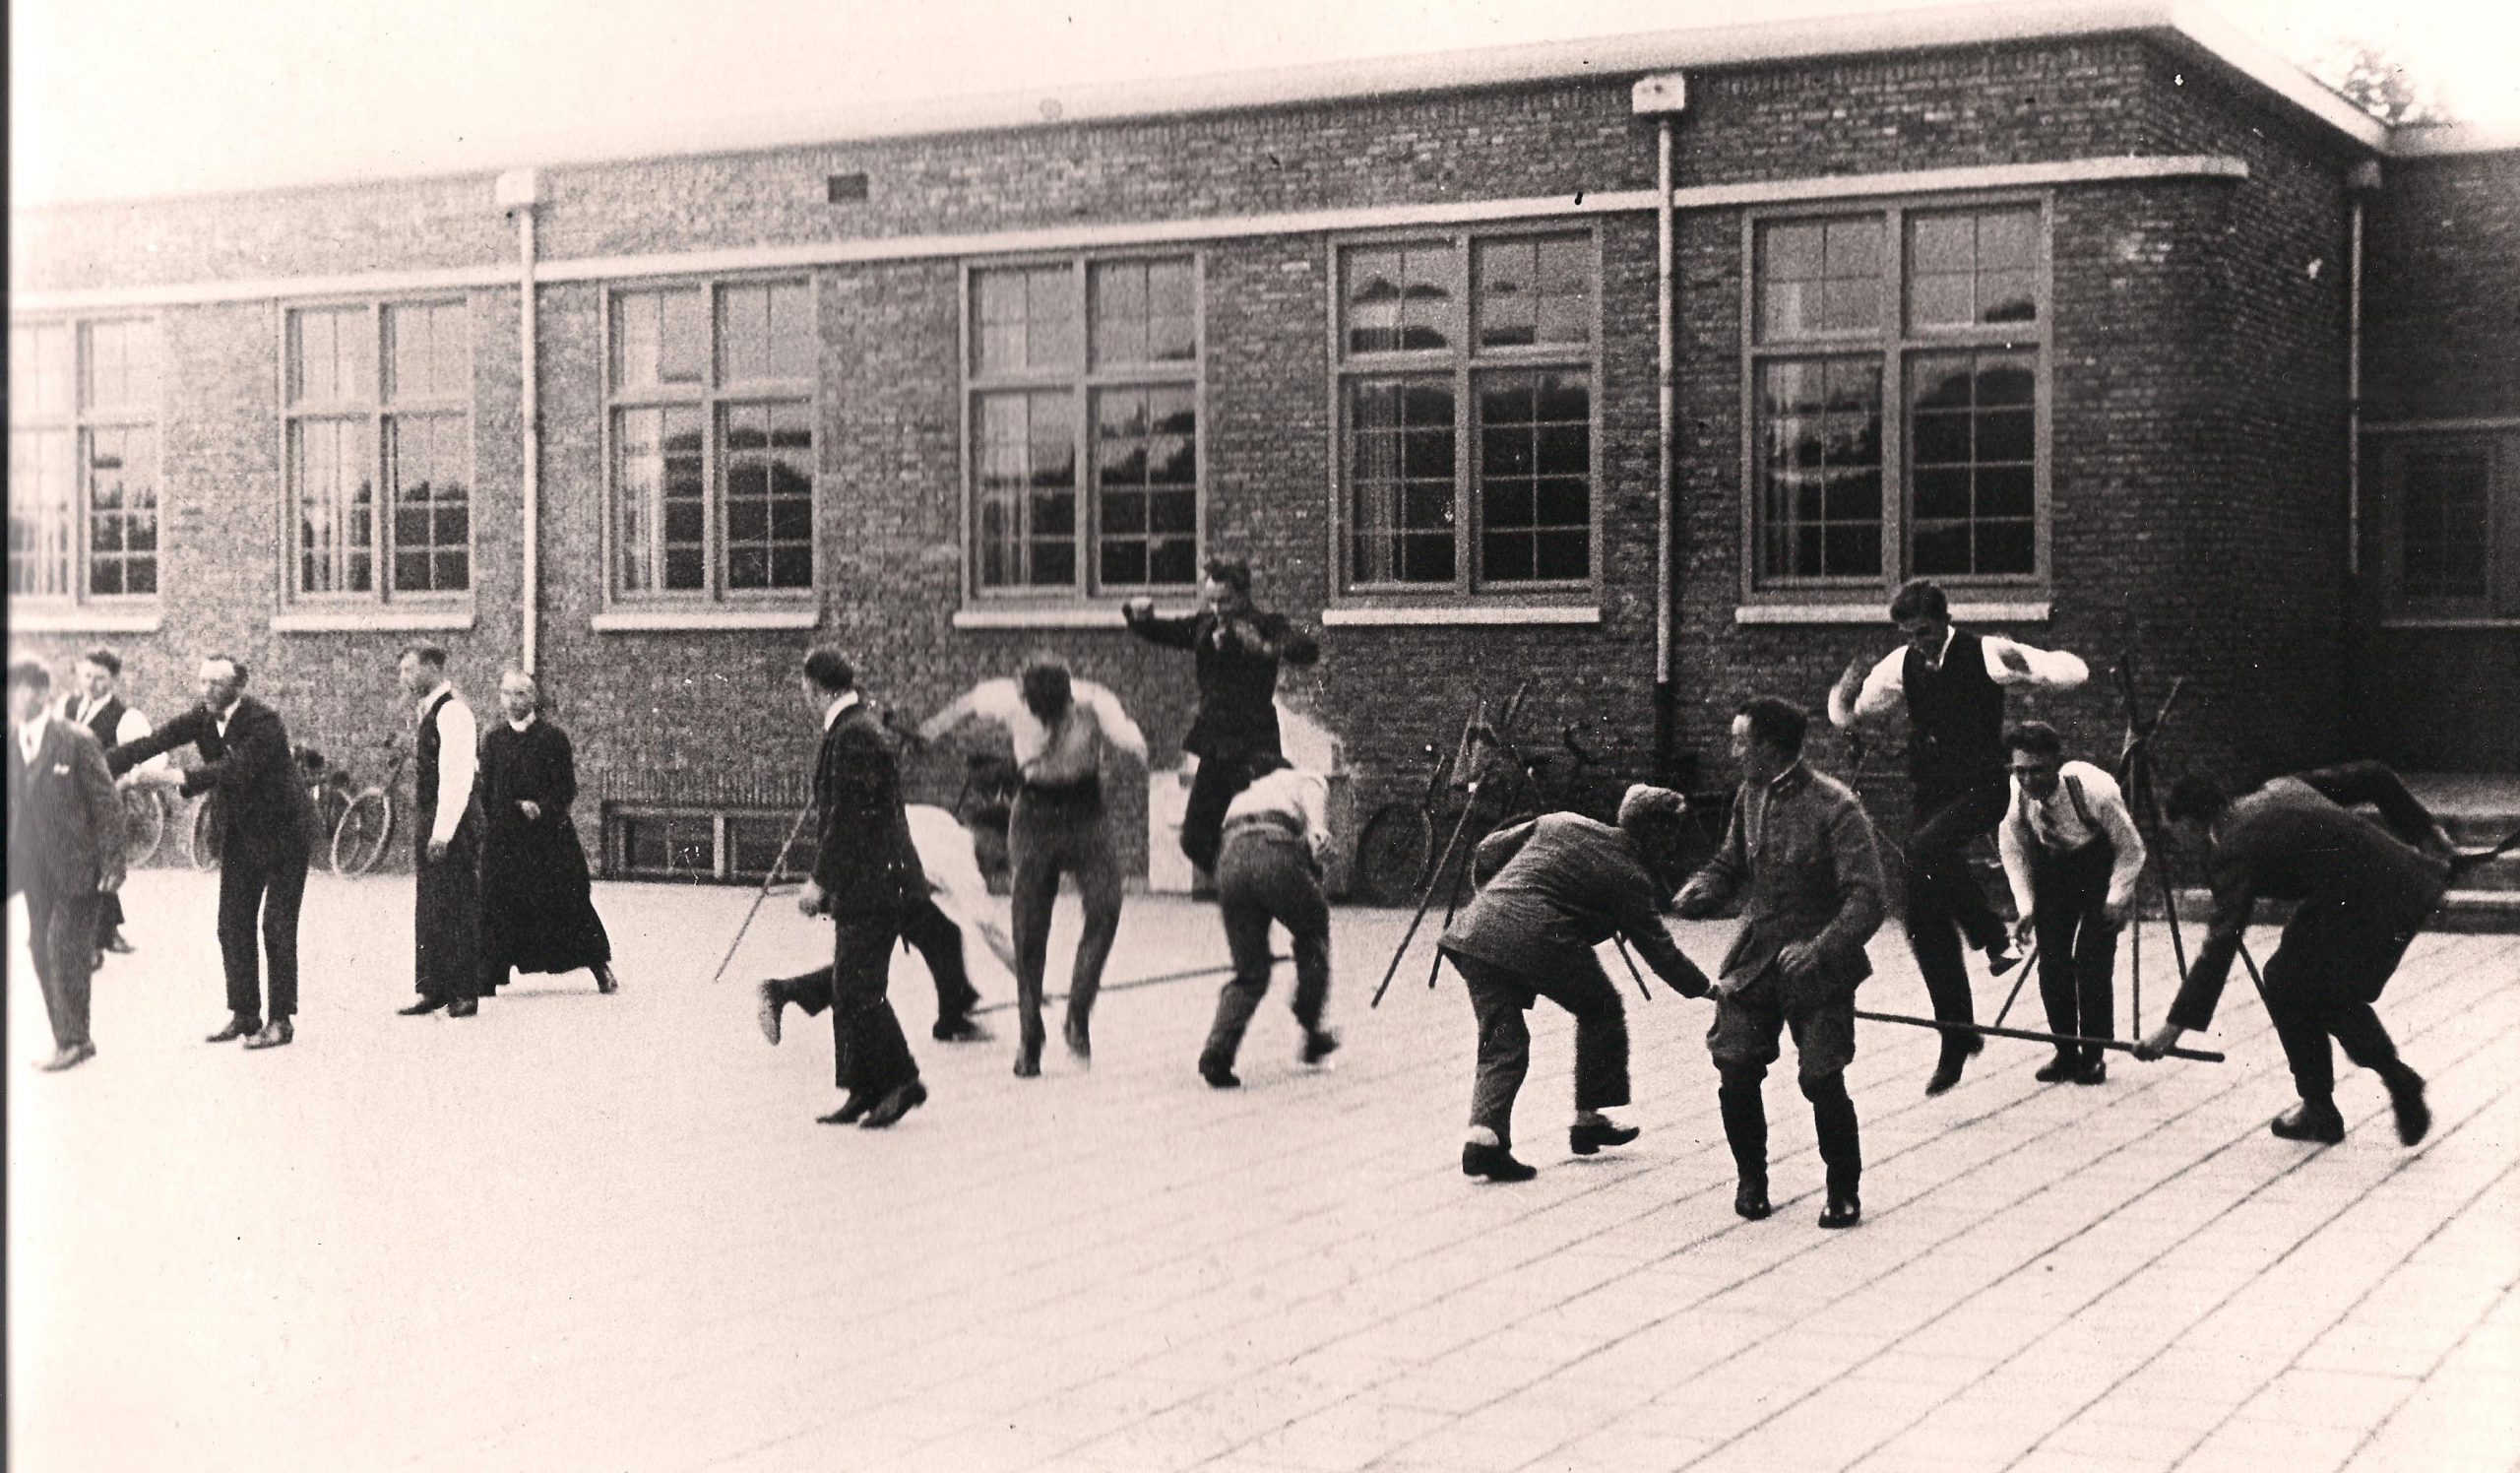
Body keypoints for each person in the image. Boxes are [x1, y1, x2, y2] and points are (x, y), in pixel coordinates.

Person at [1829, 577, 2087, 1095]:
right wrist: (1842, 693)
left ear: (1944, 620)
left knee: (1924, 849)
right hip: (1930, 794)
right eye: (1909, 634)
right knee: (1922, 921)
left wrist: (2035, 666)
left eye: (1925, 632)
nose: (1919, 644)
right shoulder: (1900, 664)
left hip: (1982, 789)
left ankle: (1993, 937)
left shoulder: (1987, 653)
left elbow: (2068, 673)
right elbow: (1853, 715)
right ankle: (1957, 1034)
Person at [2135, 764, 2448, 1148]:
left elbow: (2221, 941)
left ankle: (2326, 1105)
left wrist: (2173, 1027)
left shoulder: (2231, 846)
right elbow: (2374, 777)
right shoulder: (2280, 786)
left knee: (2289, 982)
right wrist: (2425, 831)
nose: (2180, 843)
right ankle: (2382, 1080)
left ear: (2190, 824)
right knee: (2311, 987)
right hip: (2403, 882)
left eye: (2177, 834)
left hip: (2359, 901)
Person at [1675, 697, 1886, 1229]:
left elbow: (1868, 897)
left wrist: (1821, 946)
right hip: (1755, 961)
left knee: (1821, 1077)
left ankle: (1843, 1190)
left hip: (1818, 967)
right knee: (1736, 1068)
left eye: (1740, 741)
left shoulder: (1836, 807)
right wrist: (1706, 886)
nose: (1733, 751)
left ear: (1769, 746)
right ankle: (1752, 1178)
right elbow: (1732, 862)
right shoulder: (1750, 795)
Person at [1437, 787, 1713, 1183]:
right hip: (1540, 937)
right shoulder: (1631, 876)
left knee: (1503, 1040)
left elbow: (1485, 851)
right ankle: (1588, 1119)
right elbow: (1660, 951)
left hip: (1475, 935)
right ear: (1654, 832)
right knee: (1601, 1007)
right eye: (1671, 835)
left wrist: (1495, 899)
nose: (1673, 846)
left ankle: (1485, 1140)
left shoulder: (1560, 821)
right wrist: (1706, 988)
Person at [920, 655, 1148, 1076]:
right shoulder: (1010, 698)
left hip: (1085, 813)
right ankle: (1030, 1036)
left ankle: (1077, 1012)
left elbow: (1126, 733)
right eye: (1032, 713)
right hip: (1034, 816)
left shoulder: (1095, 701)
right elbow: (969, 701)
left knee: (1105, 907)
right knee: (1029, 925)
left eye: (1051, 716)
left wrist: (1135, 746)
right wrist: (930, 731)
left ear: (1068, 701)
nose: (1041, 724)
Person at [755, 649, 928, 1128]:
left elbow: (848, 818)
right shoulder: (855, 726)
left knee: (856, 986)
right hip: (874, 881)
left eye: (802, 688)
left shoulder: (853, 734)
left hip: (876, 882)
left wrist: (819, 880)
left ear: (814, 687)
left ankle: (900, 1080)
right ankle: (862, 1088)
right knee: (852, 978)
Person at [105, 655, 314, 1049]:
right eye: (202, 682)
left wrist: (167, 777)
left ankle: (281, 1020)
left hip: (285, 833)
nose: (207, 690)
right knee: (231, 924)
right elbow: (154, 741)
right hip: (239, 832)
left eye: (216, 683)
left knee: (276, 926)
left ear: (239, 686)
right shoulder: (202, 717)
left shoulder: (264, 722)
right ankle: (245, 1013)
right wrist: (101, 763)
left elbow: (233, 770)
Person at [1121, 556, 1320, 881]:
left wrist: (1266, 648)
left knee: (1271, 824)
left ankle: (1297, 883)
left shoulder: (1265, 624)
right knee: (1194, 838)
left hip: (1255, 745)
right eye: (1212, 600)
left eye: (1225, 600)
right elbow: (1164, 631)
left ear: (1243, 596)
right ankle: (1239, 882)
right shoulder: (1204, 626)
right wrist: (1137, 615)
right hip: (1216, 746)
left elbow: (1306, 648)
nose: (1217, 608)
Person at [1996, 721, 2146, 1085]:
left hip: (2098, 868)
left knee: (2092, 963)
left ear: (2057, 763)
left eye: (2038, 770)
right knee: (2053, 965)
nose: (2029, 780)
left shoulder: (2094, 790)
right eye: (2021, 770)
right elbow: (2013, 852)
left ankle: (2093, 1056)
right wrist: (2027, 907)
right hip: (2054, 871)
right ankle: (2065, 1052)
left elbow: (2131, 848)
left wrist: (2116, 899)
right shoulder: (2014, 796)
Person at [9, 660, 126, 1071]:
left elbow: (106, 803)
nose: (11, 698)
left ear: (40, 693)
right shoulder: (11, 741)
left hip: (78, 866)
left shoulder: (74, 740)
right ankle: (67, 1038)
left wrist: (114, 860)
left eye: (18, 689)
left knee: (64, 946)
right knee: (39, 947)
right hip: (33, 869)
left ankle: (75, 1040)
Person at [1197, 752, 1340, 1089]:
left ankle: (1217, 1051)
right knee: (1314, 928)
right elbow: (1315, 817)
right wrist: (1318, 831)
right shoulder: (1301, 778)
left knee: (1250, 971)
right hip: (1274, 848)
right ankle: (1311, 1027)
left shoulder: (1244, 796)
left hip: (1229, 859)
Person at [474, 669, 619, 997]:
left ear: (534, 697)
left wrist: (542, 807)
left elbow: (566, 787)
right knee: (496, 902)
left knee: (567, 900)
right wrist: (502, 813)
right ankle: (488, 974)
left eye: (520, 694)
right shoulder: (493, 739)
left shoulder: (552, 738)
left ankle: (599, 966)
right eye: (506, 694)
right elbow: (486, 790)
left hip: (546, 839)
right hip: (506, 839)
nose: (513, 701)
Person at [393, 643, 482, 1018]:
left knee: (457, 903)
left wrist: (443, 832)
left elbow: (458, 777)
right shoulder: (427, 712)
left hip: (451, 821)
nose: (405, 678)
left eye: (411, 670)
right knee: (430, 903)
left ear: (433, 667)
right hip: (430, 816)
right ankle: (432, 987)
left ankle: (463, 990)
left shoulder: (453, 713)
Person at [61, 647, 158, 962]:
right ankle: (106, 931)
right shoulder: (67, 705)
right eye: (87, 676)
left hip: (106, 803)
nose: (92, 684)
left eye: (100, 678)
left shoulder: (126, 718)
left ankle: (91, 944)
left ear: (113, 680)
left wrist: (128, 781)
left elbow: (152, 756)